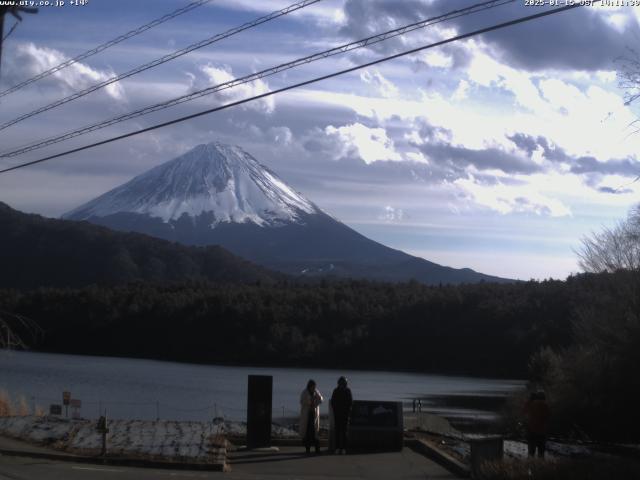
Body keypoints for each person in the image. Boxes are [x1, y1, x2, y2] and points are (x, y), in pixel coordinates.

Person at [524, 390, 551, 458]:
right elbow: (548, 418)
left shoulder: (531, 404)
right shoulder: (546, 406)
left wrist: (530, 400)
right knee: (541, 453)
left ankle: (530, 467)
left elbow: (524, 411)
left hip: (531, 431)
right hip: (542, 432)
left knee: (531, 453)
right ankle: (540, 466)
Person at [330, 376, 353, 455]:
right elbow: (333, 402)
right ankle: (340, 448)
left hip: (342, 414)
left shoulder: (339, 391)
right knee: (341, 432)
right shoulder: (340, 391)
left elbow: (350, 403)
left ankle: (342, 448)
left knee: (342, 432)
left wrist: (337, 411)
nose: (342, 384)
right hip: (341, 414)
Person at [300, 379, 323, 454]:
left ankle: (317, 449)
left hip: (314, 414)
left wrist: (316, 401)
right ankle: (308, 449)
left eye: (314, 386)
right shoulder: (305, 392)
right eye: (313, 386)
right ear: (309, 386)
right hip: (307, 414)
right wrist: (309, 402)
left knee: (315, 432)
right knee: (308, 432)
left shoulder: (316, 392)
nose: (314, 388)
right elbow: (302, 401)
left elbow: (321, 399)